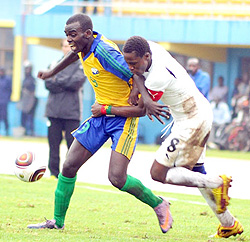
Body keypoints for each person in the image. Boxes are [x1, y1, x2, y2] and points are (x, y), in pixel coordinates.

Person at [27, 13, 172, 233]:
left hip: (123, 119)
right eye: (66, 35)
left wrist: (145, 99)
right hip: (100, 116)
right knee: (68, 166)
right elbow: (75, 55)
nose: (69, 40)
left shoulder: (105, 52)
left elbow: (136, 73)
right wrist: (51, 72)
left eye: (72, 35)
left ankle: (158, 203)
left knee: (117, 177)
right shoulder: (84, 47)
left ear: (87, 33)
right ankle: (57, 222)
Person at [122, 36, 243, 238]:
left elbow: (142, 108)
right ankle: (229, 223)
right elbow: (141, 86)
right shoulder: (150, 46)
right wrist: (138, 83)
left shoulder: (157, 77)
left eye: (133, 63)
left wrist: (108, 108)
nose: (130, 67)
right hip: (194, 114)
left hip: (192, 121)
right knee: (197, 173)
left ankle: (217, 182)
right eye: (127, 62)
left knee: (158, 173)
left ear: (146, 56)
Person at [44, 39, 86, 179]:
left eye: (70, 46)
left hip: (72, 113)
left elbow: (75, 83)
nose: (68, 49)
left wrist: (58, 80)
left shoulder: (81, 65)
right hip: (53, 111)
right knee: (53, 145)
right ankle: (53, 173)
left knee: (72, 146)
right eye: (65, 46)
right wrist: (64, 81)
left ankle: (69, 174)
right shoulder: (54, 64)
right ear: (61, 48)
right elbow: (48, 83)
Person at [19, 61, 37, 136]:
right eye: (26, 69)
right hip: (24, 101)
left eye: (28, 69)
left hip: (31, 101)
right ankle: (24, 131)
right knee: (23, 117)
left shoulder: (32, 79)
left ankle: (31, 131)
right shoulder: (24, 79)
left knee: (30, 117)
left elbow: (32, 91)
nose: (27, 70)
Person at [0, 66, 12, 136]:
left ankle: (7, 131)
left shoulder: (7, 79)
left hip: (4, 101)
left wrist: (7, 99)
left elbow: (9, 90)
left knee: (5, 116)